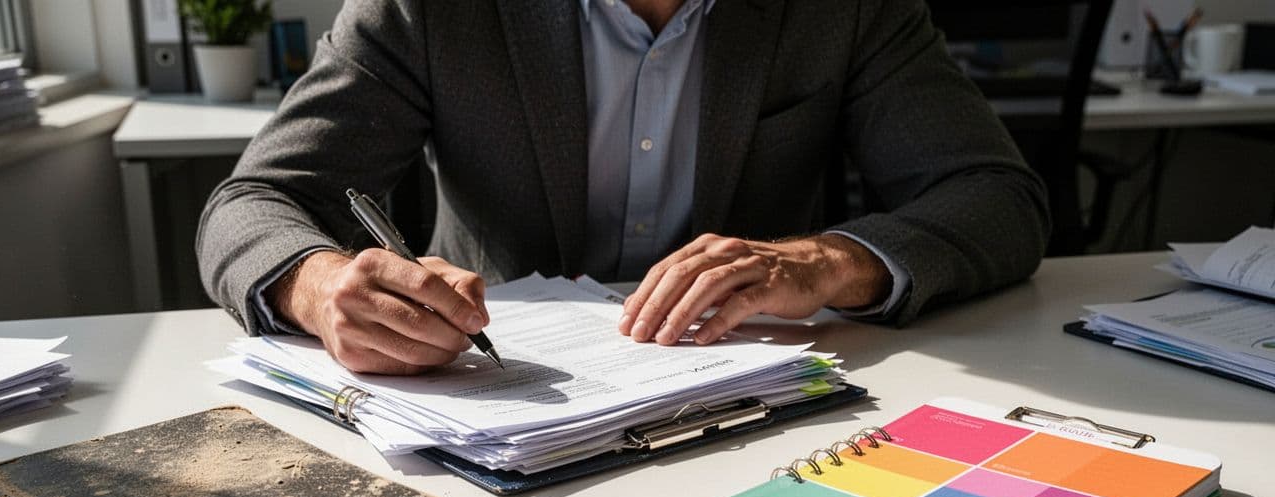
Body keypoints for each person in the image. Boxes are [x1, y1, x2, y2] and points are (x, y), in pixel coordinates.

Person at [197, 0, 1050, 375]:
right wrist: (320, 286)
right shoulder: (428, 7)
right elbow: (252, 204)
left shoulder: (844, 9)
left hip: (755, 400)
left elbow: (994, 195)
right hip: (496, 402)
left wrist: (826, 263)